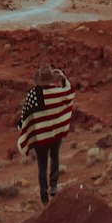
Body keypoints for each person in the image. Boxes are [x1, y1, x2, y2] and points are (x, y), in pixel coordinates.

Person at [17, 64, 74, 205]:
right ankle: (53, 185)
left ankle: (44, 197)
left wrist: (23, 128)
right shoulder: (57, 92)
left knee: (42, 166)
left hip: (40, 137)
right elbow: (70, 92)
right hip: (55, 133)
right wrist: (63, 77)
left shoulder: (33, 95)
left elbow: (25, 117)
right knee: (55, 157)